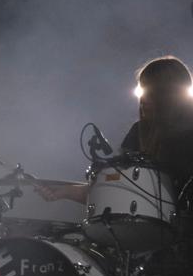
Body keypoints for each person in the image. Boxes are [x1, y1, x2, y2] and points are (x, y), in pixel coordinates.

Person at [37, 55, 193, 204]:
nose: (143, 98)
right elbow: (117, 190)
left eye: (150, 91)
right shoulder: (139, 131)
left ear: (167, 95)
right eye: (142, 90)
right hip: (142, 230)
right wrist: (65, 191)